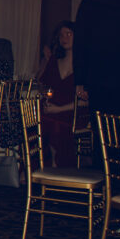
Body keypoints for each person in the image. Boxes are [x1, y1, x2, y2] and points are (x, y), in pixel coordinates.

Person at [75, 0, 120, 119]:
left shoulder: (90, 3)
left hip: (98, 81)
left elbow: (80, 44)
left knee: (102, 133)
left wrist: (80, 81)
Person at [37, 21, 79, 168]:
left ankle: (56, 163)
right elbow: (43, 86)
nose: (64, 38)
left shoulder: (84, 65)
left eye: (69, 34)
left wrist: (59, 109)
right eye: (61, 35)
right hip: (52, 108)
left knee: (54, 122)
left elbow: (88, 100)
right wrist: (47, 98)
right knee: (38, 120)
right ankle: (39, 165)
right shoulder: (54, 60)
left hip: (73, 111)